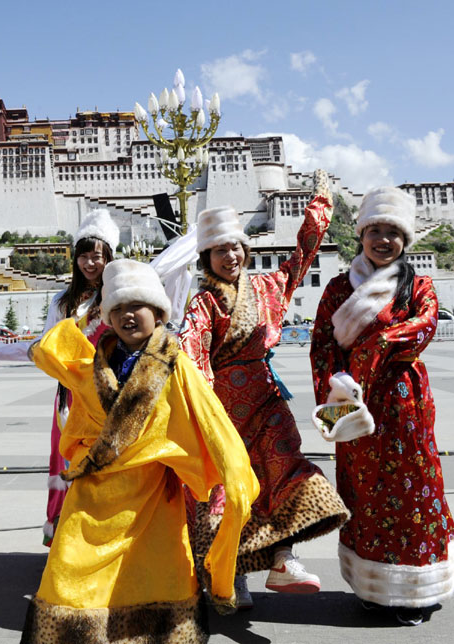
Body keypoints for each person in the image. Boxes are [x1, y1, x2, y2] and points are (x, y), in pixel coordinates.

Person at [20, 260, 259, 643]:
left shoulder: (177, 365)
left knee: (152, 580)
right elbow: (50, 350)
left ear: (159, 312)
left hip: (151, 495)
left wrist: (234, 476)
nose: (128, 316)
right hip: (93, 494)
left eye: (137, 306)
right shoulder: (92, 363)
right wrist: (85, 318)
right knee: (69, 574)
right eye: (118, 308)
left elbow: (215, 423)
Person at [179, 169, 349, 609]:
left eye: (235, 246)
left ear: (245, 249)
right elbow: (191, 351)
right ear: (207, 258)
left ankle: (284, 557)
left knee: (284, 469)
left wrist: (320, 207)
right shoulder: (204, 303)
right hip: (224, 412)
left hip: (268, 401)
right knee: (230, 490)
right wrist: (202, 405)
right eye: (219, 250)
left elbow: (303, 255)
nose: (230, 256)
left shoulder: (269, 287)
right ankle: (228, 573)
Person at [309, 186, 454, 626]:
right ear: (360, 235)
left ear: (405, 240)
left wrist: (378, 342)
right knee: (364, 490)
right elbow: (322, 343)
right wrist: (335, 384)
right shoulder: (339, 287)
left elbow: (425, 324)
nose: (382, 240)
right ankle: (372, 585)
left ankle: (417, 586)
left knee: (412, 489)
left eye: (392, 233)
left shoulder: (417, 285)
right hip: (352, 400)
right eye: (373, 230)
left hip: (404, 404)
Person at [0, 209, 117, 545]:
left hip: (108, 395)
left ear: (109, 257)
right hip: (70, 398)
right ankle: (66, 536)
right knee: (68, 459)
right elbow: (45, 348)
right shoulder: (62, 302)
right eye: (84, 256)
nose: (90, 264)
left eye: (97, 256)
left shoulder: (117, 296)